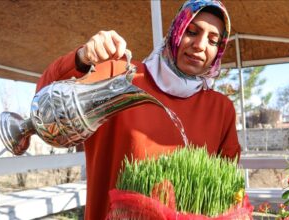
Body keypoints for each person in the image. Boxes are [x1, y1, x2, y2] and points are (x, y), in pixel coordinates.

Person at [36, 0, 240, 219]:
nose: (200, 45)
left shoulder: (220, 109)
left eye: (213, 41)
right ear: (176, 31)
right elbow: (45, 97)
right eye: (191, 31)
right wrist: (82, 57)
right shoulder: (120, 76)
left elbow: (225, 189)